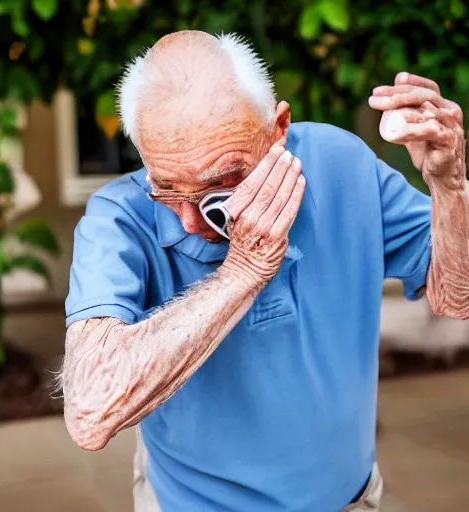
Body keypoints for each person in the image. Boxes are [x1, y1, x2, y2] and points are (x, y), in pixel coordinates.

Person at [58, 31, 468, 511]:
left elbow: (456, 296)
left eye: (221, 184)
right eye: (166, 186)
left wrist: (451, 187)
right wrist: (244, 270)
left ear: (278, 129)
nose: (191, 220)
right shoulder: (117, 217)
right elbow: (90, 413)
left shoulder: (343, 162)